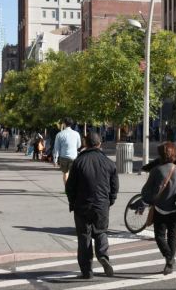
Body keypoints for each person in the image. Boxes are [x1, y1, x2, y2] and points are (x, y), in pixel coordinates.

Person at [65, 132, 118, 280]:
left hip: (82, 205)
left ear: (86, 144)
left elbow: (70, 186)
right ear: (99, 144)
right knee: (101, 232)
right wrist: (110, 201)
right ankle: (103, 255)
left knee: (84, 237)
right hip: (101, 204)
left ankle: (87, 270)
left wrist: (72, 202)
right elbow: (115, 186)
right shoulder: (108, 162)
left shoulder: (79, 161)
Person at [141, 142, 176, 275]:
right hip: (175, 209)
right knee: (172, 235)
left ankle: (169, 258)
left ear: (161, 156)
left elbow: (146, 190)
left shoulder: (156, 170)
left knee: (159, 236)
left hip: (160, 209)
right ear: (174, 155)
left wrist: (146, 200)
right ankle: (169, 264)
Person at [53, 117, 81, 186]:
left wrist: (55, 160)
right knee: (73, 174)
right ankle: (73, 189)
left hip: (63, 157)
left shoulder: (59, 134)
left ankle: (67, 189)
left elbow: (56, 148)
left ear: (64, 124)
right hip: (73, 157)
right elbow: (79, 145)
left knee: (65, 173)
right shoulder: (76, 134)